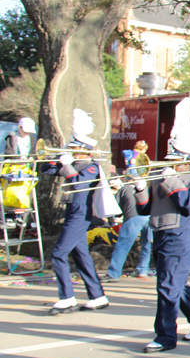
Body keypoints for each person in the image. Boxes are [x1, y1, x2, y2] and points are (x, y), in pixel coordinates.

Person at [135, 100, 190, 353]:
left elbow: (189, 204)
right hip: (159, 235)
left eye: (174, 159)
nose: (169, 163)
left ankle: (165, 336)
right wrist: (139, 189)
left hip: (182, 236)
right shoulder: (165, 176)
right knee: (173, 283)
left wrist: (170, 180)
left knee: (167, 286)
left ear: (188, 160)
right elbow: (145, 209)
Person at [41, 110, 109, 314]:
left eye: (72, 147)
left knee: (59, 253)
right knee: (81, 256)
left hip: (81, 214)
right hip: (72, 212)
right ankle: (97, 296)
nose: (70, 150)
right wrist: (56, 157)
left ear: (83, 149)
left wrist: (68, 165)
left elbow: (79, 184)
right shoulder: (74, 164)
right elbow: (46, 169)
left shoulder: (91, 167)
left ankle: (67, 297)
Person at [103, 176, 152, 281]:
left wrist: (113, 221)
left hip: (132, 218)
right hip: (148, 218)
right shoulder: (146, 187)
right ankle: (143, 270)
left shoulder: (124, 189)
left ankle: (113, 273)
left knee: (122, 246)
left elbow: (116, 208)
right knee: (146, 245)